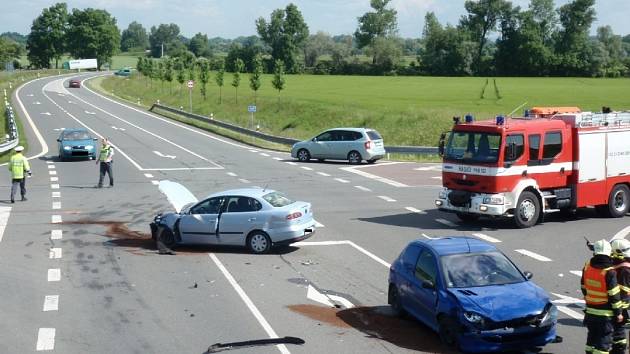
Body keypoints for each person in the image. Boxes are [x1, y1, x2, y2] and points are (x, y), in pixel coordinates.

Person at [582, 239, 624, 354]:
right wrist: (619, 312)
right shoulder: (609, 272)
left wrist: (589, 299)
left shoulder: (587, 267)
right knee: (603, 343)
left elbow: (583, 287)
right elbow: (614, 295)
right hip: (605, 314)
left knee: (591, 340)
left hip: (590, 311)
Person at [611, 239, 630, 354]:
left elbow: (624, 292)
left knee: (618, 332)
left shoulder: (624, 269)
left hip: (620, 305)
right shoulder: (624, 267)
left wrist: (619, 312)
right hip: (621, 305)